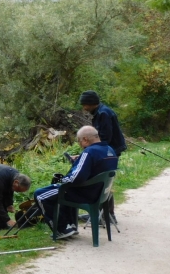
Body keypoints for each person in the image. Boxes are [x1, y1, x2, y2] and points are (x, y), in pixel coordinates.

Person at [34, 126, 118, 239]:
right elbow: (96, 169)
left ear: (85, 139)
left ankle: (62, 228)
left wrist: (62, 180)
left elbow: (76, 178)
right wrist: (79, 161)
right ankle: (71, 226)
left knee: (40, 194)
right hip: (101, 194)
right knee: (63, 189)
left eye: (79, 141)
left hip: (85, 194)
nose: (79, 144)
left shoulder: (89, 152)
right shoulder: (110, 150)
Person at [78, 90, 126, 222]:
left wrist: (91, 153)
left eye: (85, 105)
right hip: (109, 151)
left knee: (103, 181)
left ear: (91, 103)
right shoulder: (101, 112)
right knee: (103, 181)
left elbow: (105, 138)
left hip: (110, 152)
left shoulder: (104, 113)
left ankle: (107, 215)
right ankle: (99, 213)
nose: (84, 108)